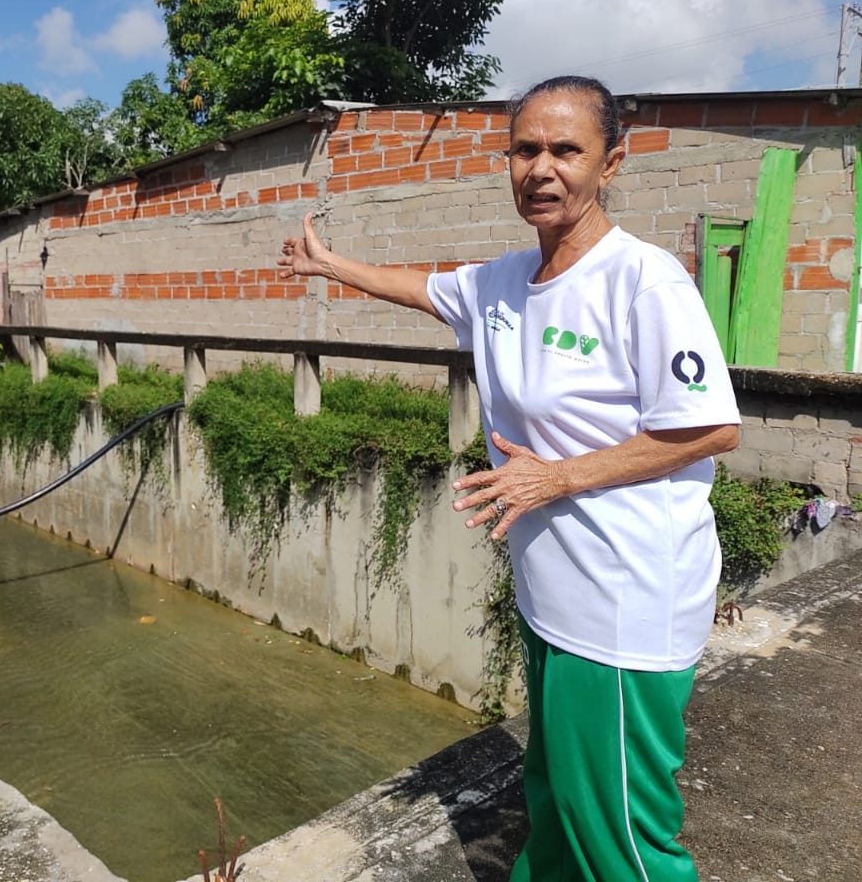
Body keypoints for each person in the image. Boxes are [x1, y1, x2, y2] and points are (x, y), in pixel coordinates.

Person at [278, 75, 740, 882]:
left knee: (624, 835)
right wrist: (330, 266)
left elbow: (710, 427)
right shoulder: (500, 283)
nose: (542, 168)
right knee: (554, 801)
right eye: (525, 149)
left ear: (611, 163)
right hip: (551, 596)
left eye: (567, 150)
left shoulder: (644, 280)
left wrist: (556, 478)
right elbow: (424, 290)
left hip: (624, 600)